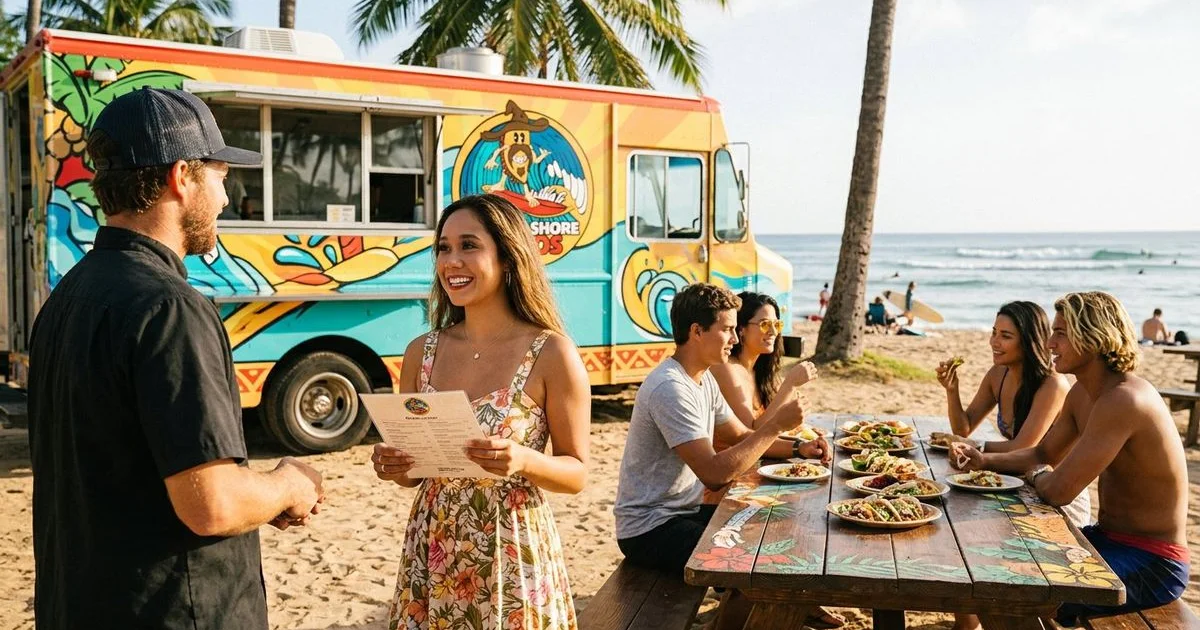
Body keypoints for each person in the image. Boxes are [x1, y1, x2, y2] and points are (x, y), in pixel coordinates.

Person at [27, 88, 325, 629]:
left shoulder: (69, 295)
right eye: (221, 176)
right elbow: (212, 504)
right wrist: (288, 484)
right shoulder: (170, 307)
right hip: (172, 611)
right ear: (182, 176)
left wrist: (259, 499)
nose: (227, 199)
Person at [370, 194, 591, 629]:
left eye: (469, 245)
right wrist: (395, 466)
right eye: (444, 248)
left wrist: (523, 460)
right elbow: (414, 477)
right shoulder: (421, 352)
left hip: (510, 546)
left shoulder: (552, 352)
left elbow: (577, 473)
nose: (452, 261)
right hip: (432, 546)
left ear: (508, 257)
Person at [950, 292, 1188, 625]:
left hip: (1152, 561)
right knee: (987, 563)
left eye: (1060, 333)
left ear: (1094, 337)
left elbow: (1058, 491)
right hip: (1104, 539)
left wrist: (1034, 474)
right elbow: (1042, 453)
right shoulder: (1082, 392)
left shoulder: (1123, 399)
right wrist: (983, 461)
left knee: (1005, 589)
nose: (1050, 343)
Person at [614, 283, 829, 630]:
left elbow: (741, 436)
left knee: (775, 528)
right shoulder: (670, 387)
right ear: (696, 331)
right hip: (650, 528)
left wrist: (798, 448)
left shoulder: (702, 379)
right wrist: (776, 426)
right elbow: (714, 475)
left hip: (683, 512)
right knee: (753, 563)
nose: (734, 337)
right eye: (727, 329)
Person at [935, 301, 1083, 630]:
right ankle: (967, 623)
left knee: (986, 547)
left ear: (1029, 340)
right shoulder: (997, 375)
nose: (994, 342)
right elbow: (964, 426)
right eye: (993, 333)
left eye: (1005, 336)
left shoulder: (1053, 384)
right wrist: (952, 391)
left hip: (1052, 490)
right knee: (957, 526)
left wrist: (975, 450)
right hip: (1012, 478)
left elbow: (1025, 448)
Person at [709, 291, 843, 630]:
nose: (772, 332)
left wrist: (801, 447)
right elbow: (753, 434)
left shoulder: (756, 370)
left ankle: (801, 601)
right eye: (764, 324)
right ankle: (793, 602)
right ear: (741, 328)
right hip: (727, 486)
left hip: (753, 474)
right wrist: (789, 386)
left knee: (814, 511)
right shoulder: (728, 371)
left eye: (777, 325)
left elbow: (767, 434)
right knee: (793, 526)